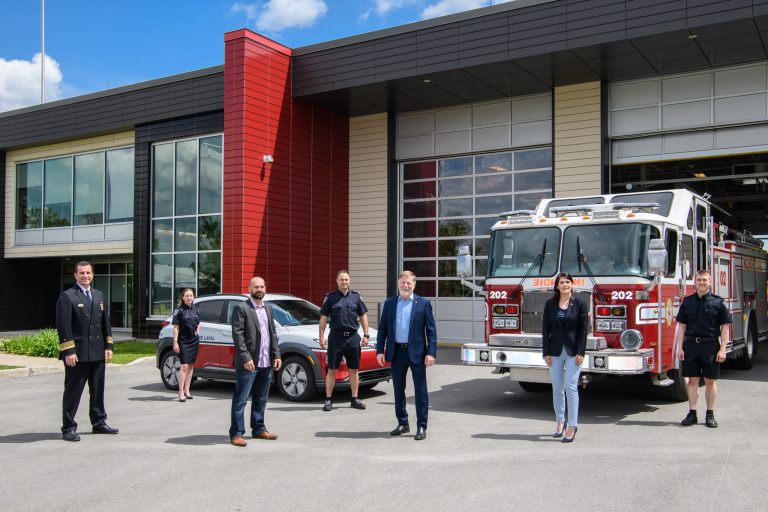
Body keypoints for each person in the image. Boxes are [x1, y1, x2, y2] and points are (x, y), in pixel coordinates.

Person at [56, 260, 118, 442]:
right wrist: (68, 351)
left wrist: (109, 346)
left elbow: (105, 323)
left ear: (92, 275)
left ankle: (99, 422)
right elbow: (64, 326)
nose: (85, 276)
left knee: (98, 390)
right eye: (82, 273)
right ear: (75, 275)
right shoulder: (67, 296)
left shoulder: (99, 295)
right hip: (78, 354)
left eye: (88, 273)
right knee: (73, 392)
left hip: (97, 352)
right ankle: (68, 427)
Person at [376, 271, 437, 441]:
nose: (405, 286)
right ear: (398, 284)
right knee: (398, 390)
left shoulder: (423, 304)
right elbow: (382, 330)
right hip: (396, 353)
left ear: (414, 284)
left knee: (420, 391)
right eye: (403, 282)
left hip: (417, 353)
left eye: (409, 283)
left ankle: (421, 426)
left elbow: (431, 331)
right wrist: (380, 350)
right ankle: (403, 423)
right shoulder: (389, 304)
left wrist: (431, 353)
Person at [229, 276, 282, 447]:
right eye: (256, 287)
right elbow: (238, 335)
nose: (259, 289)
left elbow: (272, 333)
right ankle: (236, 433)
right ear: (250, 288)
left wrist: (277, 355)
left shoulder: (268, 308)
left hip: (266, 361)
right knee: (241, 399)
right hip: (249, 363)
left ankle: (259, 428)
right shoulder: (241, 308)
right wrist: (246, 358)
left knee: (261, 398)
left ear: (265, 288)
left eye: (261, 286)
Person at [675, 270, 732, 428]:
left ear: (710, 282)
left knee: (710, 381)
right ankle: (692, 413)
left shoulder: (718, 303)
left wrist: (722, 349)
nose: (702, 282)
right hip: (691, 345)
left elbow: (725, 327)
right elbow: (681, 327)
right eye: (699, 280)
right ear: (695, 282)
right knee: (692, 380)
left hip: (710, 346)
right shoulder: (687, 302)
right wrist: (680, 348)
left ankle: (710, 414)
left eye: (705, 280)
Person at [542, 272, 588, 443]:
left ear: (572, 285)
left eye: (568, 282)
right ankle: (560, 421)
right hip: (554, 353)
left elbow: (584, 330)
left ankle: (572, 426)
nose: (565, 285)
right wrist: (546, 352)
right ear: (557, 286)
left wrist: (581, 352)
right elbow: (545, 329)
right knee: (557, 388)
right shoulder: (549, 304)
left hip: (573, 353)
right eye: (562, 282)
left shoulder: (580, 304)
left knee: (571, 387)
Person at [318, 270, 370, 411]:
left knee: (354, 369)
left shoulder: (356, 297)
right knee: (332, 369)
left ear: (350, 280)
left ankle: (354, 399)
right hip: (336, 337)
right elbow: (323, 318)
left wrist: (366, 334)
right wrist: (321, 336)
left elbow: (363, 316)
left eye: (346, 279)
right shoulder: (330, 298)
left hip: (353, 337)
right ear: (337, 281)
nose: (344, 282)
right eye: (341, 280)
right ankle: (328, 400)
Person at [172, 288, 200, 402]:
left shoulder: (196, 310)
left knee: (191, 366)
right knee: (184, 366)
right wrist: (175, 342)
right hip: (183, 341)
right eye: (187, 296)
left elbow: (198, 323)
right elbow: (175, 328)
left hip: (194, 340)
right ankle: (180, 392)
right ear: (182, 298)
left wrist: (198, 329)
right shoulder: (178, 311)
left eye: (191, 295)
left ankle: (187, 390)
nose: (189, 297)